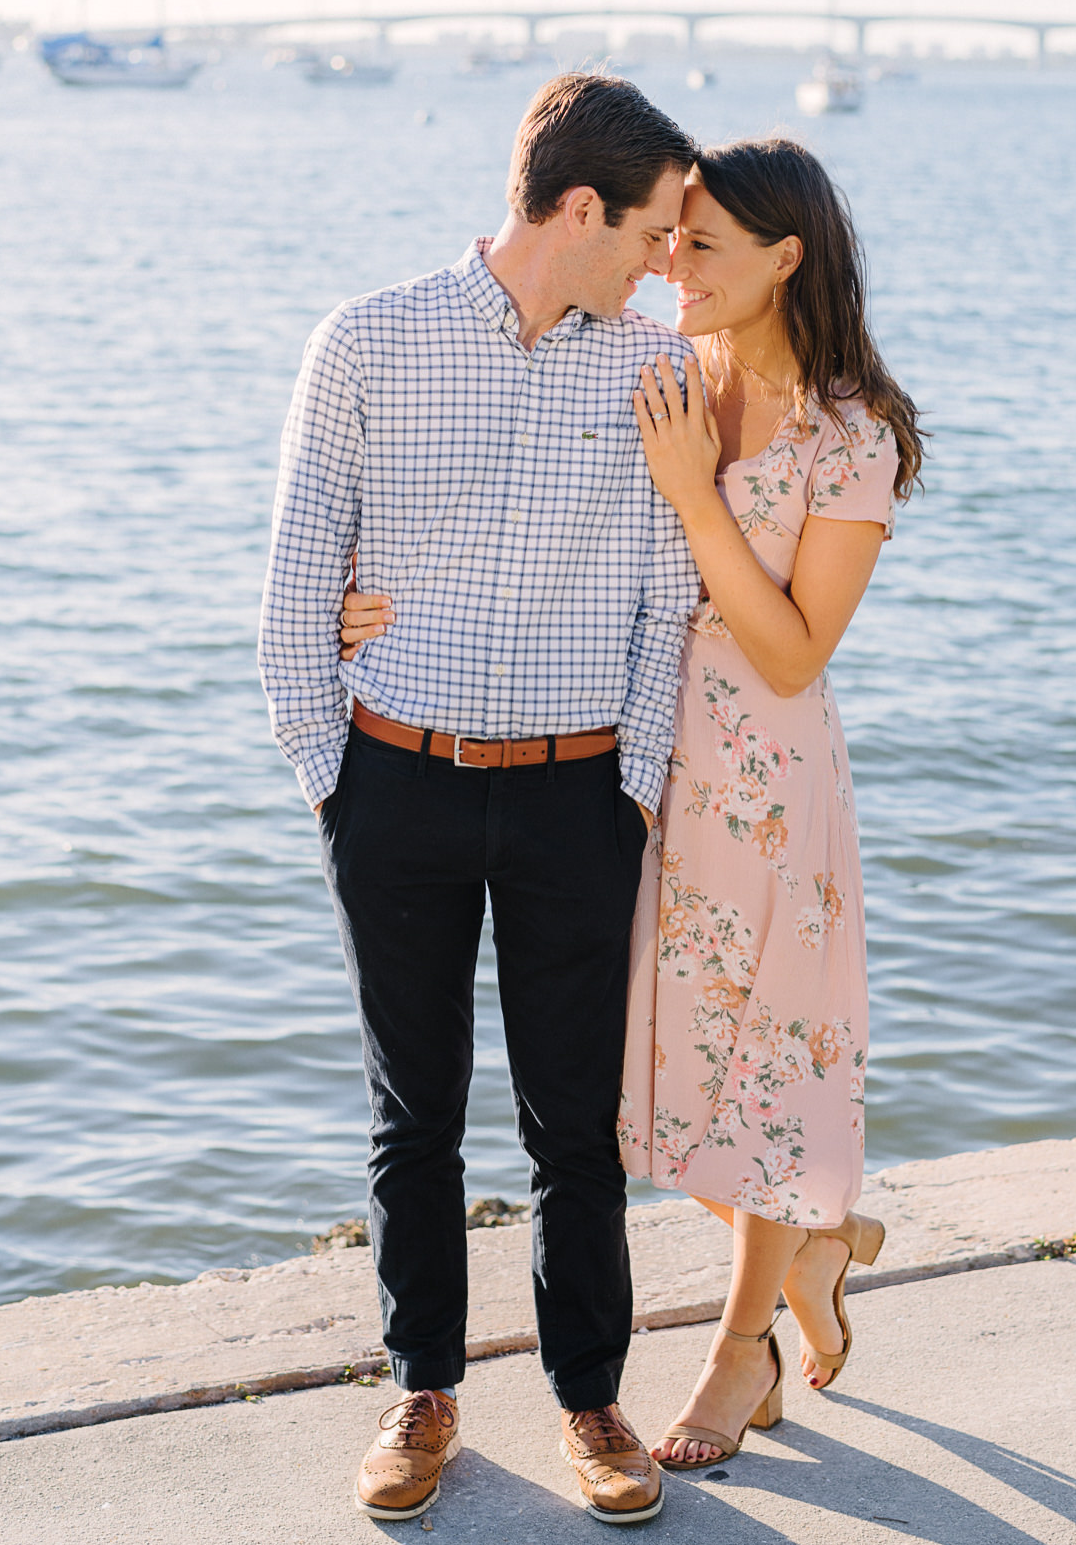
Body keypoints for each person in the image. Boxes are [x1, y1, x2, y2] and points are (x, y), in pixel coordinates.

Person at [342, 137, 926, 1476]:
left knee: (764, 1054)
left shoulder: (851, 436)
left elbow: (791, 654)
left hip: (765, 789)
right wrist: (365, 603)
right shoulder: (654, 372)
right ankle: (817, 1245)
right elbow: (510, 509)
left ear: (787, 258)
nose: (672, 267)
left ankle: (742, 1353)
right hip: (629, 768)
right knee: (655, 1071)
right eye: (668, 242)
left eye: (703, 247)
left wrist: (687, 497)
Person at [258, 72, 700, 1526]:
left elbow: (664, 606)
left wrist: (631, 793)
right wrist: (337, 785)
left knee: (576, 1127)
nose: (659, 266)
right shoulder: (368, 342)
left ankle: (590, 1400)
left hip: (579, 798)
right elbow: (293, 587)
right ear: (580, 210)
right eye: (647, 235)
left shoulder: (651, 372)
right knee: (415, 1115)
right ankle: (424, 1386)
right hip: (397, 786)